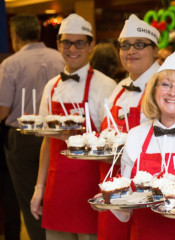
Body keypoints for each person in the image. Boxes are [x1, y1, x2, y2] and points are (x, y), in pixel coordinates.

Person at [100, 49, 175, 240]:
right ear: (153, 90)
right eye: (165, 84)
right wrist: (111, 197)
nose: (172, 92)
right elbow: (125, 206)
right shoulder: (136, 136)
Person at [30, 13, 116, 240]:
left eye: (80, 42)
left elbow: (114, 144)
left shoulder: (106, 85)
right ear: (58, 45)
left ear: (91, 45)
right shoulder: (51, 86)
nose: (72, 48)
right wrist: (39, 187)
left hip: (91, 187)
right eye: (66, 42)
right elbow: (47, 142)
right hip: (57, 188)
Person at [0, 13, 65, 240]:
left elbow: (3, 110)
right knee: (58, 194)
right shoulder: (60, 58)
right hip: (59, 134)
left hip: (23, 138)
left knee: (31, 198)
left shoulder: (10, 64)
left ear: (15, 36)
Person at [97, 14, 160, 239]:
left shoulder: (165, 86)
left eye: (139, 45)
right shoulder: (120, 86)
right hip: (112, 184)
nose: (130, 51)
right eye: (125, 45)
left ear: (155, 50)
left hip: (145, 189)